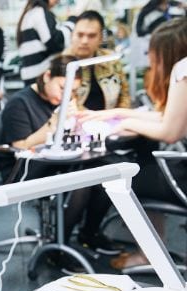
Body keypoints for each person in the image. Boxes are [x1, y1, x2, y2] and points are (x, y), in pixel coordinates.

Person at [78, 17, 187, 268]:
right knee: (144, 165)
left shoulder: (182, 70)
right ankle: (151, 251)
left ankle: (147, 254)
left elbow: (170, 132)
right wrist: (118, 114)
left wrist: (125, 123)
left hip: (183, 180)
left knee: (123, 175)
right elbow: (167, 116)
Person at [2, 55, 120, 256]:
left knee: (107, 170)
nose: (67, 95)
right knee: (81, 181)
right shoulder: (19, 103)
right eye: (62, 88)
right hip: (25, 169)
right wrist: (55, 121)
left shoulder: (63, 100)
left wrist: (79, 119)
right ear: (47, 76)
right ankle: (58, 248)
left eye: (73, 91)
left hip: (58, 163)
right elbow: (21, 147)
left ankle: (89, 233)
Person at [64, 11, 130, 111]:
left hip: (111, 117)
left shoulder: (111, 59)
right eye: (80, 35)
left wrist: (120, 114)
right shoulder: (63, 63)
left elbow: (124, 93)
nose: (84, 41)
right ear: (72, 35)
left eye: (92, 36)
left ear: (100, 38)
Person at [17, 0, 76, 85]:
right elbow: (55, 42)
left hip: (32, 76)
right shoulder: (40, 12)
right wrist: (71, 21)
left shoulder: (30, 13)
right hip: (41, 77)